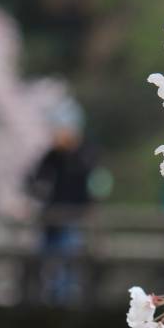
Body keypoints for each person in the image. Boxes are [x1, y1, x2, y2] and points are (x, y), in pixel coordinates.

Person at [27, 99, 97, 302]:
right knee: (46, 261)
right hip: (50, 219)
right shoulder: (51, 156)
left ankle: (66, 298)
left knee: (69, 261)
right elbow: (33, 179)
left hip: (74, 217)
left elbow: (93, 183)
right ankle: (49, 297)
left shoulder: (85, 153)